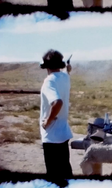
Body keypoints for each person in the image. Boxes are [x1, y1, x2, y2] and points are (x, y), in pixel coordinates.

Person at [39, 49, 73, 187]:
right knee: (66, 174)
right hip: (63, 133)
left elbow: (57, 102)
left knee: (54, 178)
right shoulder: (65, 77)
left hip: (52, 135)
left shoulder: (49, 81)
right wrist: (68, 69)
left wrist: (47, 120)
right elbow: (65, 74)